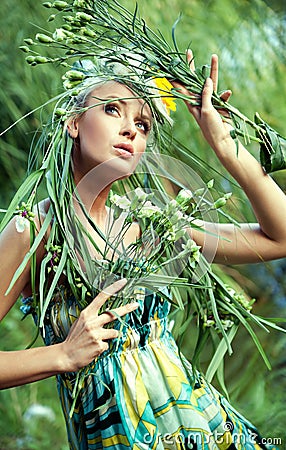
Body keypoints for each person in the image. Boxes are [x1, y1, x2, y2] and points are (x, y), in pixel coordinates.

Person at [0, 46, 285, 450]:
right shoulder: (35, 231)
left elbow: (280, 237)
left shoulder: (152, 221)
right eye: (113, 109)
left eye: (144, 123)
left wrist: (225, 147)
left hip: (201, 430)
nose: (132, 130)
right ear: (74, 122)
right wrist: (63, 356)